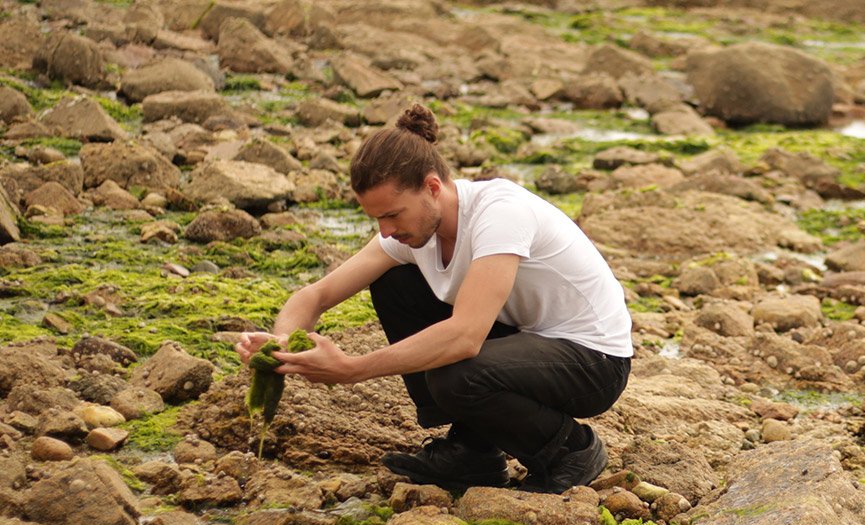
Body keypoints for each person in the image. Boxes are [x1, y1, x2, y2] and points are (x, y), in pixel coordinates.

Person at [235, 103, 633, 494]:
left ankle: (570, 451)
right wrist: (283, 343)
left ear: (432, 187)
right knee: (396, 283)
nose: (386, 231)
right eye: (376, 219)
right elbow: (316, 294)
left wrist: (351, 369)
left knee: (455, 372)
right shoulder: (416, 229)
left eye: (392, 215)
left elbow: (465, 337)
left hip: (595, 360)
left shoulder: (500, 213)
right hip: (532, 341)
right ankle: (473, 450)